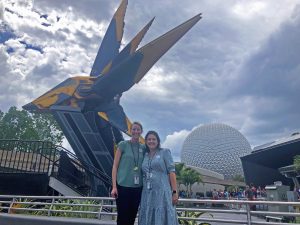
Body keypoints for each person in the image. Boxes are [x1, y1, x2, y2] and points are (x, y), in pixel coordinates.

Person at [138, 130, 179, 225]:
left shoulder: (164, 152)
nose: (151, 141)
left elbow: (171, 172)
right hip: (147, 193)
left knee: (163, 215)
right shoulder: (145, 155)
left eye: (153, 139)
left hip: (162, 193)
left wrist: (174, 192)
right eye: (149, 139)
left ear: (158, 141)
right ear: (146, 141)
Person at [111, 122, 145, 225]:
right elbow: (115, 166)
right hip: (122, 186)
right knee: (122, 217)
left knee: (132, 216)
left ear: (141, 131)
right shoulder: (123, 145)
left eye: (138, 129)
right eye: (133, 129)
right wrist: (114, 187)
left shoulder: (143, 148)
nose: (136, 131)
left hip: (137, 188)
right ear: (130, 131)